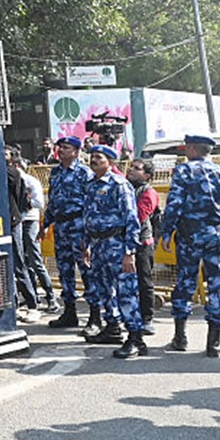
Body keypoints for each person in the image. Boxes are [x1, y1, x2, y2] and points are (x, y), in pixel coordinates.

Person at [160, 134, 220, 357]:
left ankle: (180, 337)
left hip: (190, 233)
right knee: (218, 284)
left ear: (191, 149)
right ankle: (215, 342)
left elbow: (174, 203)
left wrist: (166, 231)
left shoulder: (184, 171)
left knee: (185, 282)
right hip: (217, 232)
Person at [81, 145, 146, 358]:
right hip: (98, 245)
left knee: (125, 292)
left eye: (99, 158)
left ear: (110, 162)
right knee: (104, 290)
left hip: (116, 244)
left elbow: (131, 219)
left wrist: (129, 252)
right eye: (92, 157)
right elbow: (87, 217)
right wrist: (87, 245)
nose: (93, 160)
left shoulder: (119, 184)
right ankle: (112, 328)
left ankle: (136, 338)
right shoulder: (90, 185)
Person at [42, 136, 94, 331]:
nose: (61, 151)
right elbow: (53, 201)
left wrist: (88, 232)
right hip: (61, 227)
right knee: (64, 270)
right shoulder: (55, 172)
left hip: (78, 225)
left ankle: (94, 315)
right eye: (60, 147)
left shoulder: (84, 173)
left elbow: (90, 203)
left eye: (65, 148)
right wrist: (46, 223)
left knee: (86, 270)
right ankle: (69, 312)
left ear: (76, 151)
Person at [11, 147, 57, 312]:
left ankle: (51, 296)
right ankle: (32, 296)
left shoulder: (31, 181)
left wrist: (24, 203)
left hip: (29, 220)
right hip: (17, 222)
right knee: (22, 261)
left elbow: (39, 203)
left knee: (35, 258)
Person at [4, 149, 40, 322]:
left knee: (19, 264)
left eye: (5, 154)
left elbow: (22, 199)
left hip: (12, 221)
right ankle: (14, 304)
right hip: (3, 222)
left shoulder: (11, 173)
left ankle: (32, 304)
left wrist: (16, 215)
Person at [125, 158, 160, 335]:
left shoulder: (148, 192)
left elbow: (137, 216)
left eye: (136, 168)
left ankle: (147, 318)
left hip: (142, 243)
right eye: (131, 166)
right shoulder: (125, 187)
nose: (131, 170)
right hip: (123, 242)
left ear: (146, 175)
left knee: (144, 281)